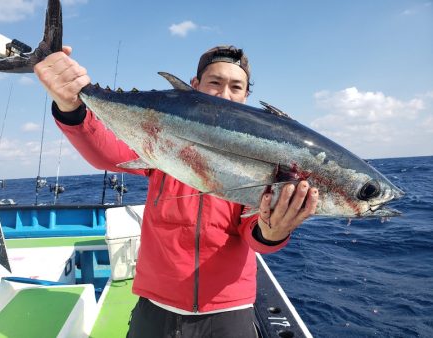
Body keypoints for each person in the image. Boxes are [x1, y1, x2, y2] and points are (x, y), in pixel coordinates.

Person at [34, 45, 319, 338]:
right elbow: (107, 153)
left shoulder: (259, 159)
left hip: (227, 311)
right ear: (193, 87)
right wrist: (71, 109)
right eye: (215, 83)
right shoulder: (164, 144)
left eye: (236, 87)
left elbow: (253, 230)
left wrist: (273, 232)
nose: (224, 94)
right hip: (155, 306)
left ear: (245, 97)